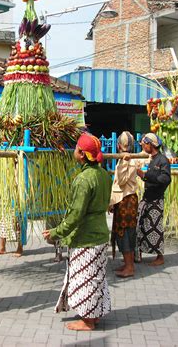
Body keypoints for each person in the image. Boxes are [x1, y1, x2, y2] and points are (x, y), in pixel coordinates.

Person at [43, 133, 112, 331]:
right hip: (100, 235)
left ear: (82, 154)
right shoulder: (104, 175)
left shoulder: (83, 180)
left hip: (86, 238)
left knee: (85, 279)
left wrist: (56, 232)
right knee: (96, 277)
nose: (74, 151)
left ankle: (88, 321)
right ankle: (94, 315)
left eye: (76, 148)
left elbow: (75, 215)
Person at [136, 133, 171, 266]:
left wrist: (146, 175)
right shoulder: (152, 159)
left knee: (155, 228)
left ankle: (160, 257)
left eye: (144, 144)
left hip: (156, 200)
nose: (143, 146)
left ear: (151, 144)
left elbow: (166, 179)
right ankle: (138, 253)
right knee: (141, 225)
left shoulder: (162, 160)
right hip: (147, 198)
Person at [109, 131, 139, 278]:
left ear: (119, 145)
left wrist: (125, 162)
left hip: (127, 201)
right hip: (123, 200)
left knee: (126, 233)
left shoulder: (129, 161)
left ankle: (129, 267)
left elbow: (121, 181)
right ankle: (128, 264)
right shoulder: (125, 159)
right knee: (125, 233)